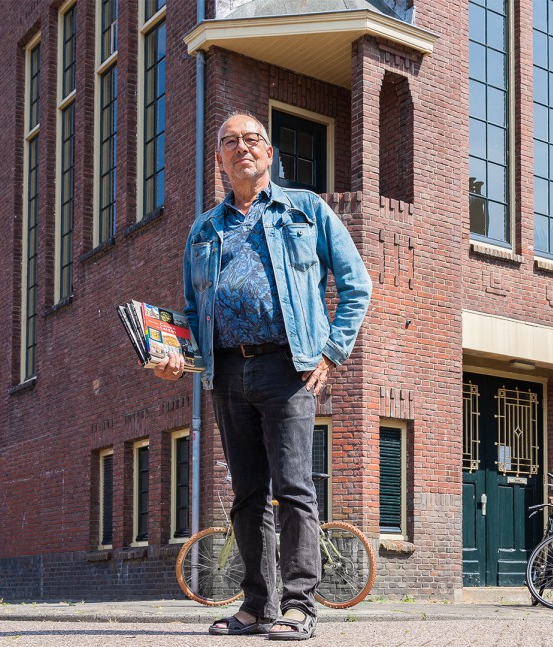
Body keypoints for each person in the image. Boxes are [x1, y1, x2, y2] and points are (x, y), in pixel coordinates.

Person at [155, 112, 371, 640]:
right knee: (247, 492)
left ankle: (300, 605)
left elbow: (355, 283)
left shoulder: (306, 210)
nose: (241, 148)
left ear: (269, 154)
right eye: (230, 142)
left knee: (294, 486)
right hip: (228, 371)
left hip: (287, 366)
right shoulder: (204, 230)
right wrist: (174, 355)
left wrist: (330, 352)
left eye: (252, 139)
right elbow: (190, 309)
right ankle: (257, 606)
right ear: (220, 161)